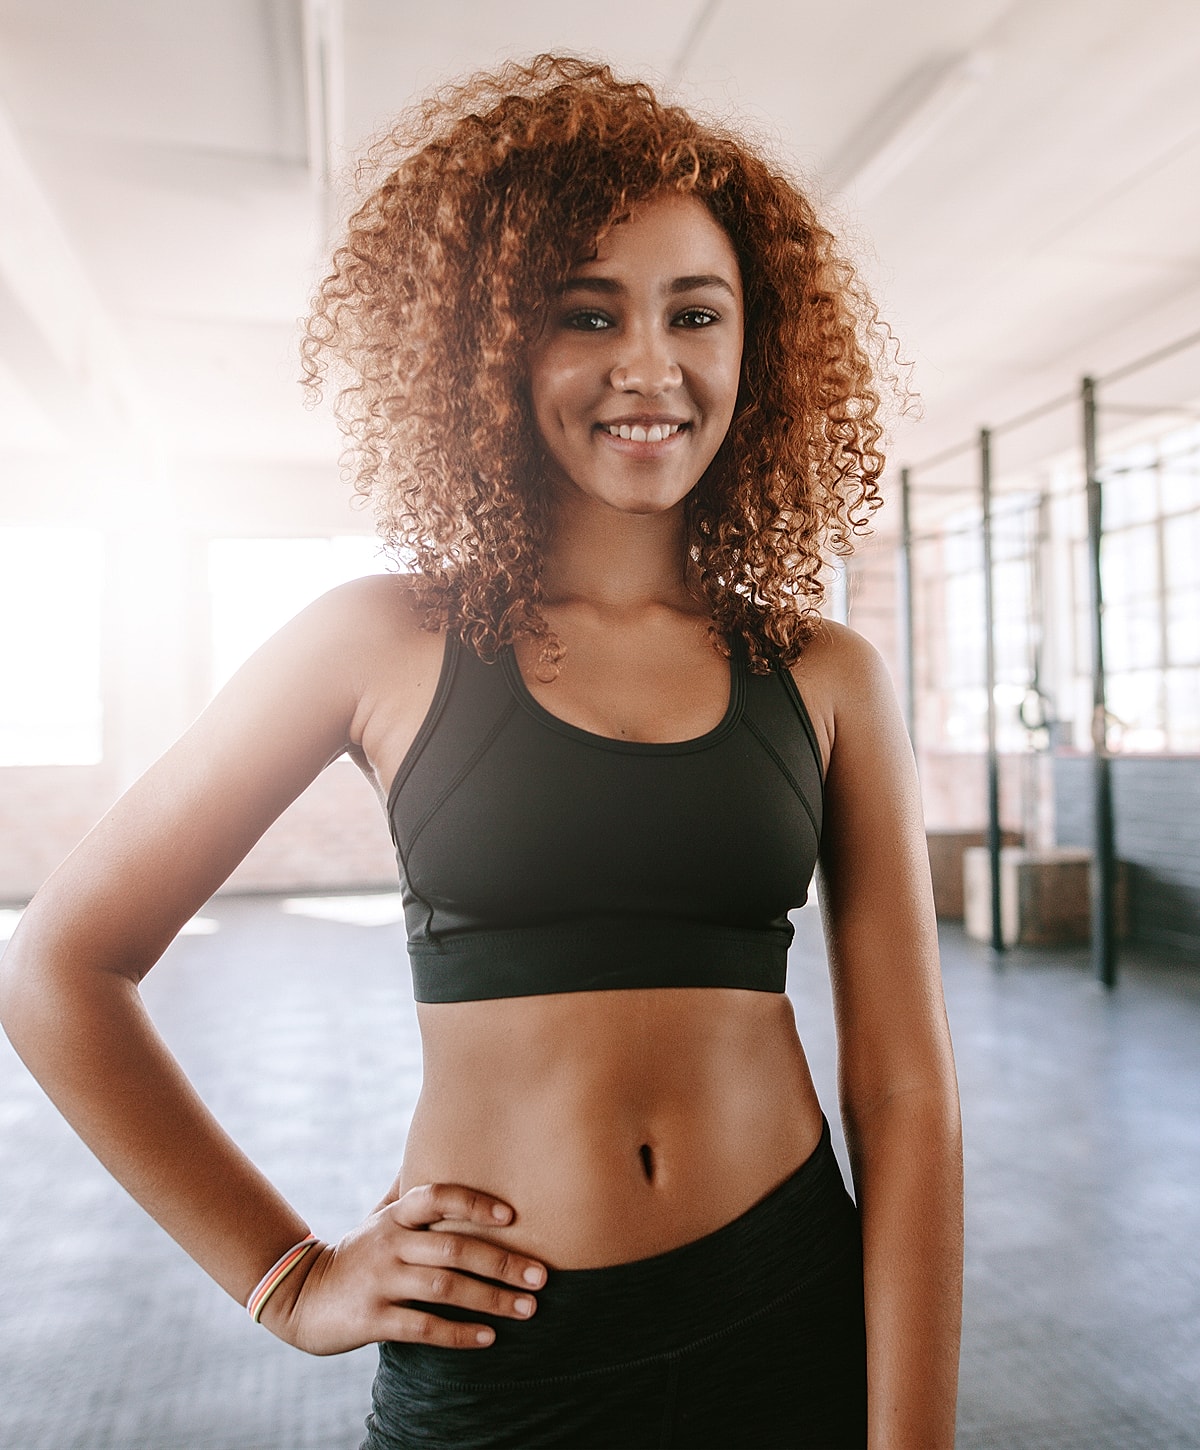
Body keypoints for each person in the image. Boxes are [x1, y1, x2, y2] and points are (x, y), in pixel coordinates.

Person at [0, 54, 962, 1450]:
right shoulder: (376, 640)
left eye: (698, 312)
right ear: (496, 342)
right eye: (589, 313)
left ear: (757, 346)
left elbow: (905, 1088)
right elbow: (57, 965)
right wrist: (289, 1278)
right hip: (506, 1357)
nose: (651, 365)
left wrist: (914, 1437)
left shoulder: (825, 672)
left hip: (787, 1310)